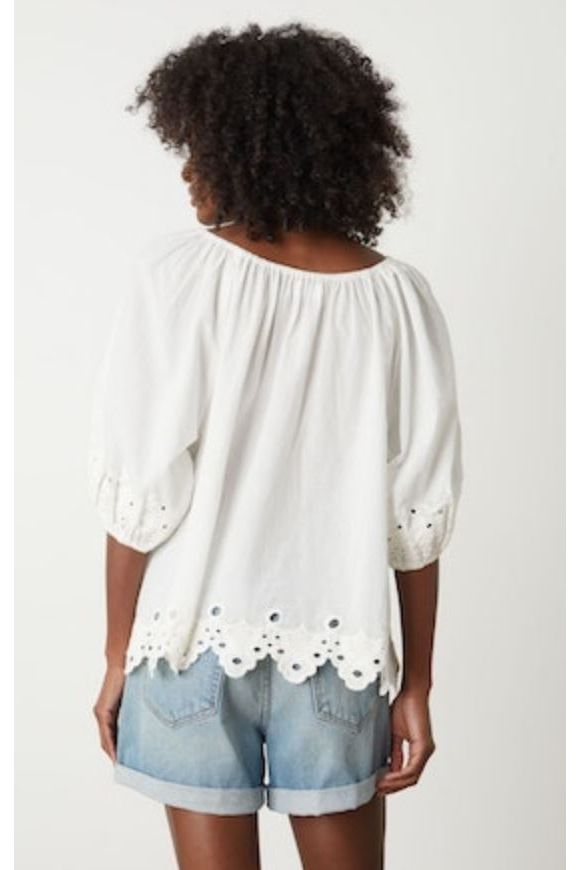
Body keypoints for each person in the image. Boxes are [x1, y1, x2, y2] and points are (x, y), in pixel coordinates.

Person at [89, 21, 463, 870]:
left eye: (196, 147)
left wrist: (116, 654)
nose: (186, 171)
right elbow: (418, 521)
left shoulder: (179, 276)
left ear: (243, 150)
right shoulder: (399, 299)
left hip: (187, 645)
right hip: (342, 653)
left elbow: (140, 495)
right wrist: (417, 683)